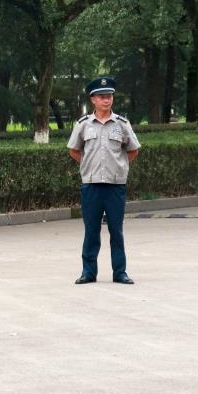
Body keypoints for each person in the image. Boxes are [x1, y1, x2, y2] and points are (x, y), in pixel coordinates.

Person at [67, 76, 141, 285]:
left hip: (115, 185)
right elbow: (74, 150)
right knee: (91, 230)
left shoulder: (122, 124)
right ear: (93, 99)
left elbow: (133, 149)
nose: (106, 100)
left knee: (116, 230)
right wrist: (88, 164)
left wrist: (120, 165)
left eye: (109, 96)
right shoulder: (83, 124)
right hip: (91, 185)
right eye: (101, 97)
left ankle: (120, 272)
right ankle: (88, 272)